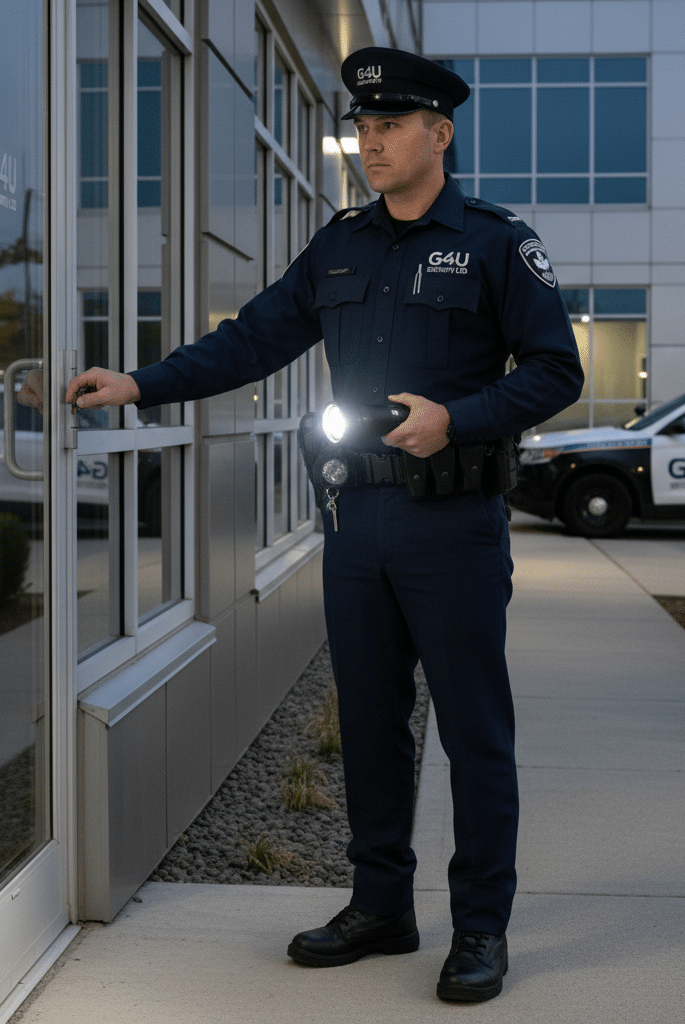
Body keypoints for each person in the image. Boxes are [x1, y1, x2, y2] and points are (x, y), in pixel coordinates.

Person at [65, 46, 583, 1003]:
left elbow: (557, 370)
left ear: (441, 133)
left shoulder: (497, 244)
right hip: (355, 520)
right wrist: (140, 383)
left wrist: (456, 419)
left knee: (474, 732)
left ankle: (481, 929)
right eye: (363, 128)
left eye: (390, 126)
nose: (370, 142)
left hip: (453, 526)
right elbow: (253, 337)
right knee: (372, 726)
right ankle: (381, 905)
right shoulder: (340, 244)